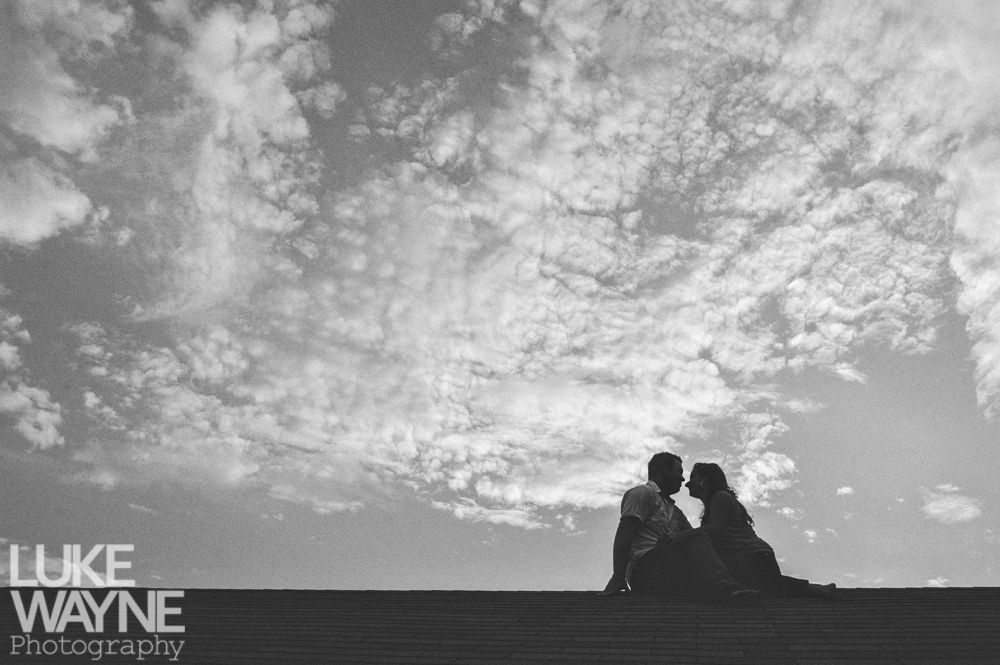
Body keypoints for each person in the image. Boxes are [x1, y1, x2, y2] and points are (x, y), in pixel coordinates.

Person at [599, 452, 761, 605]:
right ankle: (728, 590)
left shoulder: (676, 512)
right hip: (645, 568)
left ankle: (750, 586)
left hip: (669, 571)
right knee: (697, 538)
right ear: (663, 470)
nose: (683, 479)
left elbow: (701, 547)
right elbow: (625, 533)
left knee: (699, 543)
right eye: (678, 472)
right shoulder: (643, 493)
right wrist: (618, 575)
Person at [686, 462, 835, 598]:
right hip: (749, 558)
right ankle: (816, 589)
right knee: (765, 587)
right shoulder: (713, 505)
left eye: (693, 478)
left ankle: (817, 589)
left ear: (704, 480)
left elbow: (715, 529)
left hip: (753, 556)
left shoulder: (720, 497)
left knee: (767, 586)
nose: (687, 483)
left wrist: (682, 536)